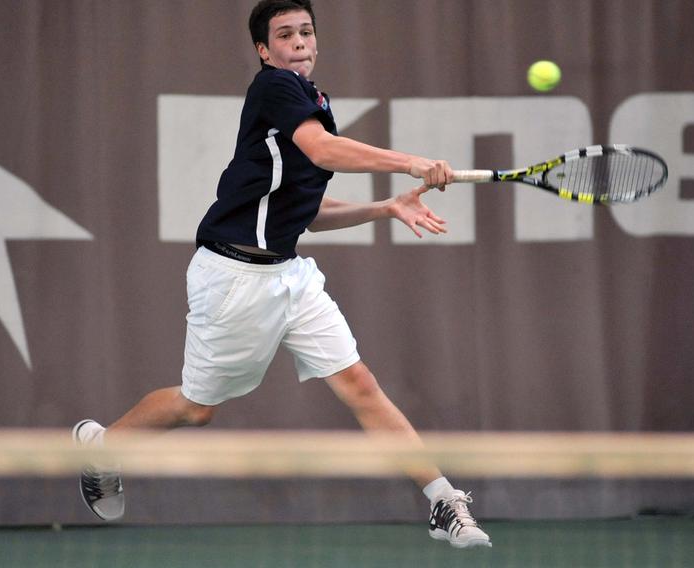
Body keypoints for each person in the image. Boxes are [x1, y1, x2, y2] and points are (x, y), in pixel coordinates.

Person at [73, 0, 491, 549]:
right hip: (232, 277)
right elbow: (323, 150)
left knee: (359, 384)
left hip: (289, 274)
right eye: (286, 35)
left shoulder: (312, 100)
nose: (299, 42)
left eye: (307, 32)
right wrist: (412, 162)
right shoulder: (274, 88)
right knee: (197, 409)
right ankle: (102, 448)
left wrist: (386, 207)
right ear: (265, 51)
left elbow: (309, 216)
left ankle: (442, 501)